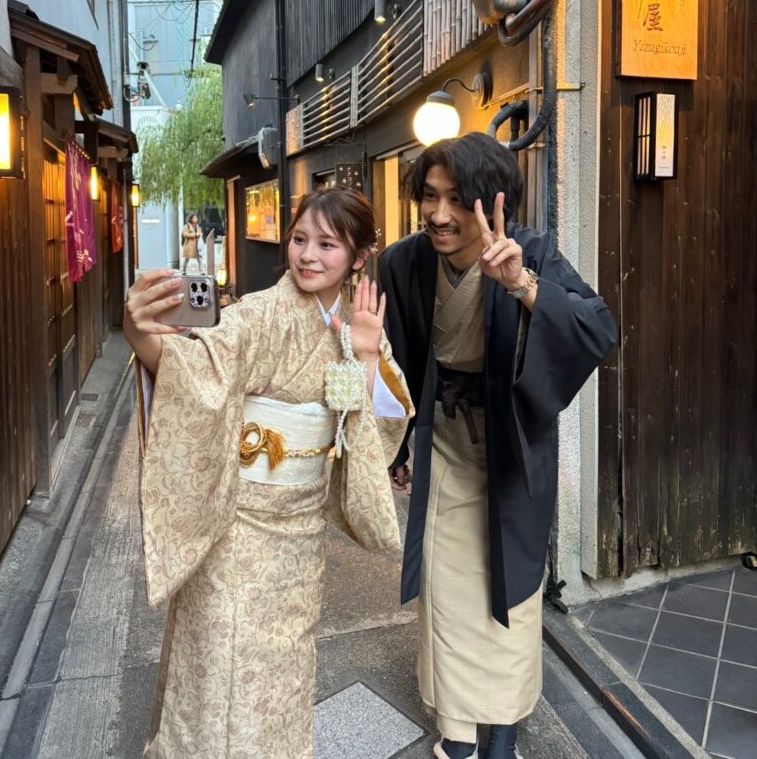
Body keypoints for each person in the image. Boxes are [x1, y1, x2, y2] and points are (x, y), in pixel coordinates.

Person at [125, 186, 413, 759]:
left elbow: (376, 424)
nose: (307, 255)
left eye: (327, 245)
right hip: (236, 535)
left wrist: (364, 354)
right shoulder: (257, 315)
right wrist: (139, 333)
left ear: (359, 257)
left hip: (300, 539)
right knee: (219, 680)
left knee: (282, 682)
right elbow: (191, 373)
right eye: (300, 239)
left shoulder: (355, 323)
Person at [378, 133, 616, 759]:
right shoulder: (404, 262)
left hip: (510, 454)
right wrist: (396, 448)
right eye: (430, 197)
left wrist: (523, 285)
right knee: (448, 595)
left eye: (457, 200)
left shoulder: (529, 252)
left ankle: (503, 729)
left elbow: (598, 328)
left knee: (509, 594)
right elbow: (391, 359)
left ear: (492, 200)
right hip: (445, 446)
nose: (439, 215)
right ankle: (458, 733)